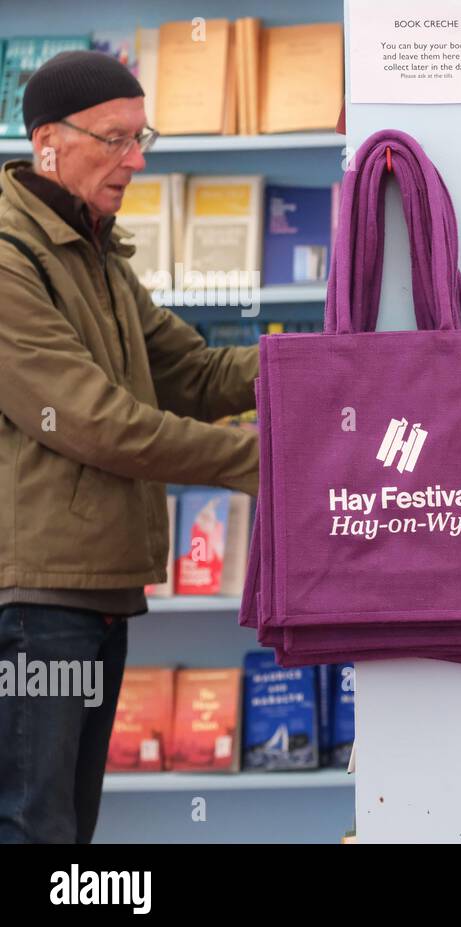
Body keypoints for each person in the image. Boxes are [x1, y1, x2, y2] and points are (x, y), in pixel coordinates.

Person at [0, 51, 259, 844]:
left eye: (141, 136)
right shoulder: (11, 256)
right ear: (48, 140)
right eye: (115, 139)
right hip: (38, 601)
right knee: (34, 821)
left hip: (98, 592)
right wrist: (260, 464)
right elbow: (93, 422)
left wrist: (334, 367)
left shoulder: (94, 250)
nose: (136, 160)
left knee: (68, 825)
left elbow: (196, 372)